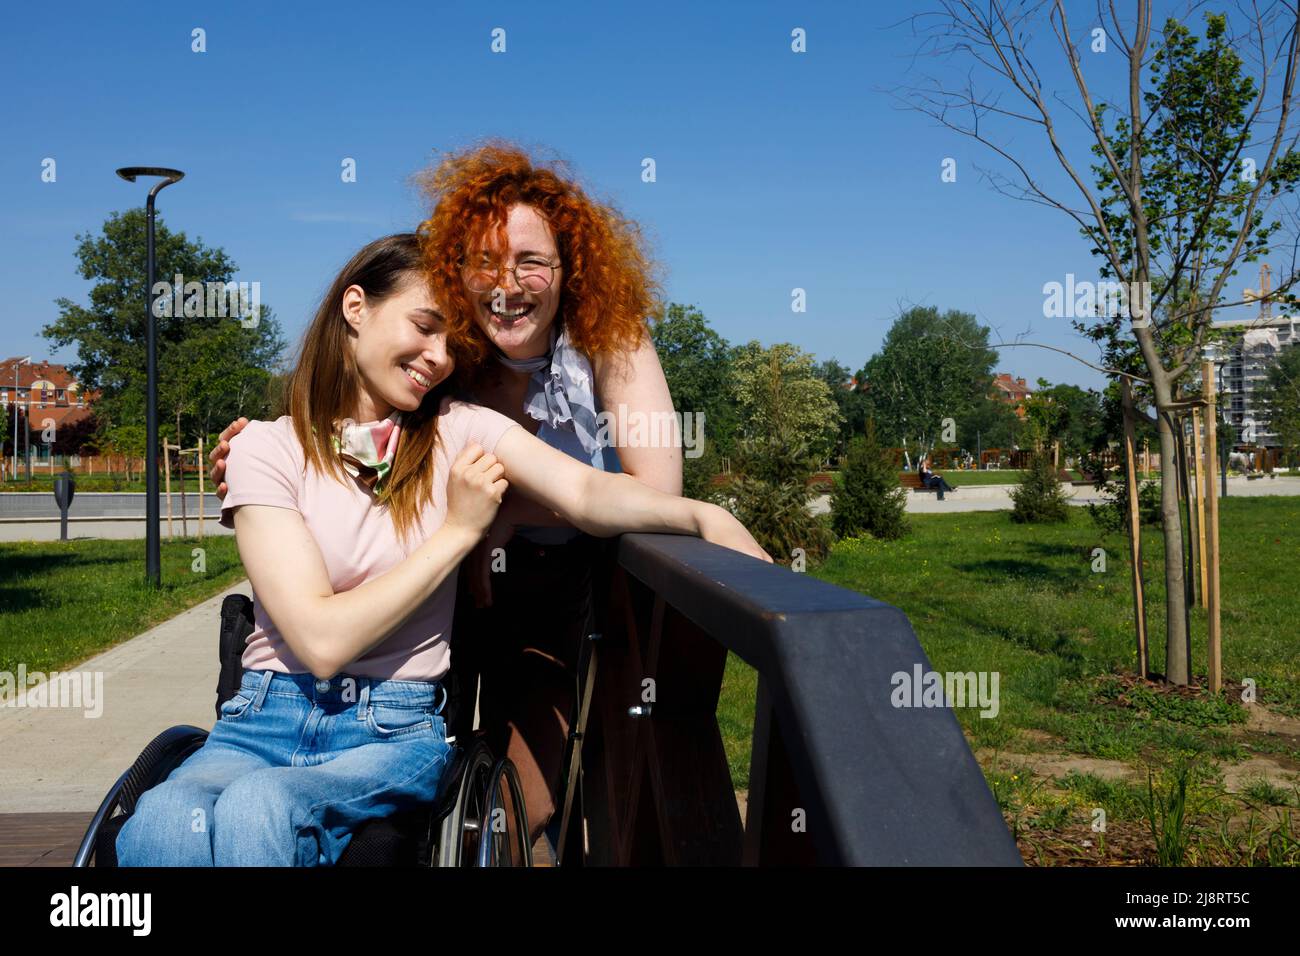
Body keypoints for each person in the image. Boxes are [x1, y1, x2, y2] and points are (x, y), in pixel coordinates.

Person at [118, 233, 769, 867]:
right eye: (424, 326)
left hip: (388, 730)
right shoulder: (265, 447)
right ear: (355, 307)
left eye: (452, 343)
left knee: (257, 808)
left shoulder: (461, 433)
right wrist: (459, 532)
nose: (438, 357)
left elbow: (586, 491)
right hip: (263, 716)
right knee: (163, 821)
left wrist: (698, 513)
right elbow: (319, 640)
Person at [211, 142, 694, 850]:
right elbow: (364, 436)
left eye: (531, 261)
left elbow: (656, 489)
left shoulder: (610, 338)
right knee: (413, 778)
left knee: (519, 796)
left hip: (559, 580)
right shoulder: (449, 348)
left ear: (570, 268)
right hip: (435, 574)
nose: (508, 283)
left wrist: (501, 513)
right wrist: (261, 454)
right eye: (485, 263)